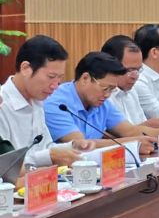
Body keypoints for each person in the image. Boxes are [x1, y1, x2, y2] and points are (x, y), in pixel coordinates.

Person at [0, 36, 93, 169]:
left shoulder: (38, 101)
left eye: (59, 78)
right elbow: (5, 164)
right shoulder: (2, 104)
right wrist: (49, 156)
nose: (55, 86)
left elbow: (45, 147)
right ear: (26, 68)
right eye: (51, 77)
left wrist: (72, 146)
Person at [42, 52, 159, 154]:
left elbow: (129, 130)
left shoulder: (101, 101)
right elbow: (82, 145)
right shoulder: (56, 104)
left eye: (112, 89)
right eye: (105, 88)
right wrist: (132, 144)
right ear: (85, 78)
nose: (108, 95)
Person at [101, 35, 159, 129]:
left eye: (138, 70)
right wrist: (145, 127)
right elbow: (107, 137)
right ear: (110, 65)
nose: (135, 76)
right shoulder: (103, 96)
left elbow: (141, 125)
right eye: (129, 70)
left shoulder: (132, 91)